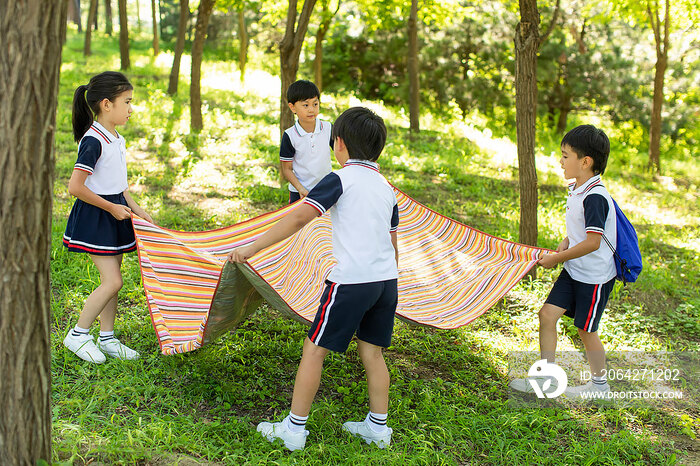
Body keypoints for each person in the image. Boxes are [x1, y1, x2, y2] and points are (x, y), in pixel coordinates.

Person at [228, 107, 399, 450]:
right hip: (386, 281)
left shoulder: (338, 179)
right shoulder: (386, 188)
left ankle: (293, 430)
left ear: (338, 144)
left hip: (350, 282)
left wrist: (252, 247)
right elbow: (393, 244)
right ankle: (378, 429)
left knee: (313, 350)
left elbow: (297, 219)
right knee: (374, 354)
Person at [511, 125, 616, 398]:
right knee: (546, 315)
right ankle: (546, 379)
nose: (560, 161)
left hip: (593, 276)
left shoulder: (595, 196)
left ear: (585, 162)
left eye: (565, 155)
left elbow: (594, 241)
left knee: (585, 330)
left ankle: (600, 386)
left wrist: (556, 258)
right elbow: (584, 230)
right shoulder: (578, 188)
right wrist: (567, 240)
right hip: (574, 270)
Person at [62, 71, 153, 364]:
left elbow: (120, 185)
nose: (131, 108)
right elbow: (75, 187)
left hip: (116, 213)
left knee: (114, 279)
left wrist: (136, 208)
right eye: (127, 102)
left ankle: (108, 337)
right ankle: (77, 334)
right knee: (112, 281)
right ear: (106, 104)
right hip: (97, 217)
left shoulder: (116, 137)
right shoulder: (93, 140)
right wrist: (112, 208)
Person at [280, 79, 334, 204]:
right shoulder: (289, 135)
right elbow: (287, 169)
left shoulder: (328, 128)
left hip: (325, 190)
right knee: (299, 223)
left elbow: (343, 152)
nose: (311, 109)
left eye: (315, 104)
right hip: (299, 192)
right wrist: (300, 189)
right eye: (306, 105)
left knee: (324, 223)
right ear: (292, 107)